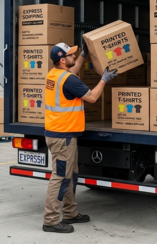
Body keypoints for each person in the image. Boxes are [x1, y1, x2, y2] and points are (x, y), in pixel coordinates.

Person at [42, 42, 117, 234]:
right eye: (71, 55)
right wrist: (104, 79)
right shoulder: (68, 79)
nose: (73, 57)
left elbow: (72, 71)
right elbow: (92, 97)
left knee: (71, 175)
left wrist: (83, 55)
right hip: (62, 137)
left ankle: (70, 212)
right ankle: (50, 220)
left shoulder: (54, 74)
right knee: (60, 178)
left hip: (61, 134)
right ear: (62, 59)